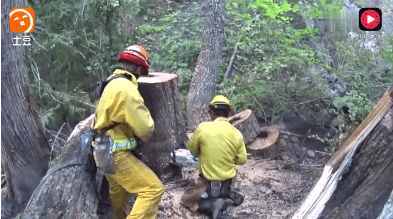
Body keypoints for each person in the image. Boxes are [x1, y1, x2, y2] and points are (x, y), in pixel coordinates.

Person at [94, 45, 165, 219]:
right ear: (139, 68)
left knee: (119, 192)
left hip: (102, 151)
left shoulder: (111, 82)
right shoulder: (127, 89)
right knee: (152, 189)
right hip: (116, 153)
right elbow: (145, 128)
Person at [181, 95, 247, 218]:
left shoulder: (203, 128)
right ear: (228, 113)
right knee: (225, 186)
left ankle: (213, 204)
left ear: (211, 112)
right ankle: (226, 196)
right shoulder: (237, 133)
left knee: (186, 201)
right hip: (227, 180)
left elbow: (193, 151)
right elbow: (242, 160)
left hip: (207, 181)